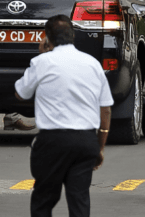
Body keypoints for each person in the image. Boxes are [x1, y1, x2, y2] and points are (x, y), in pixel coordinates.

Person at [14, 15, 114, 217]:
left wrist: (41, 55)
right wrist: (99, 147)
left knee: (44, 199)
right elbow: (106, 109)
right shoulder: (92, 64)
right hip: (85, 141)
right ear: (73, 36)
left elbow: (21, 93)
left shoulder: (42, 62)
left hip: (52, 141)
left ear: (46, 38)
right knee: (79, 199)